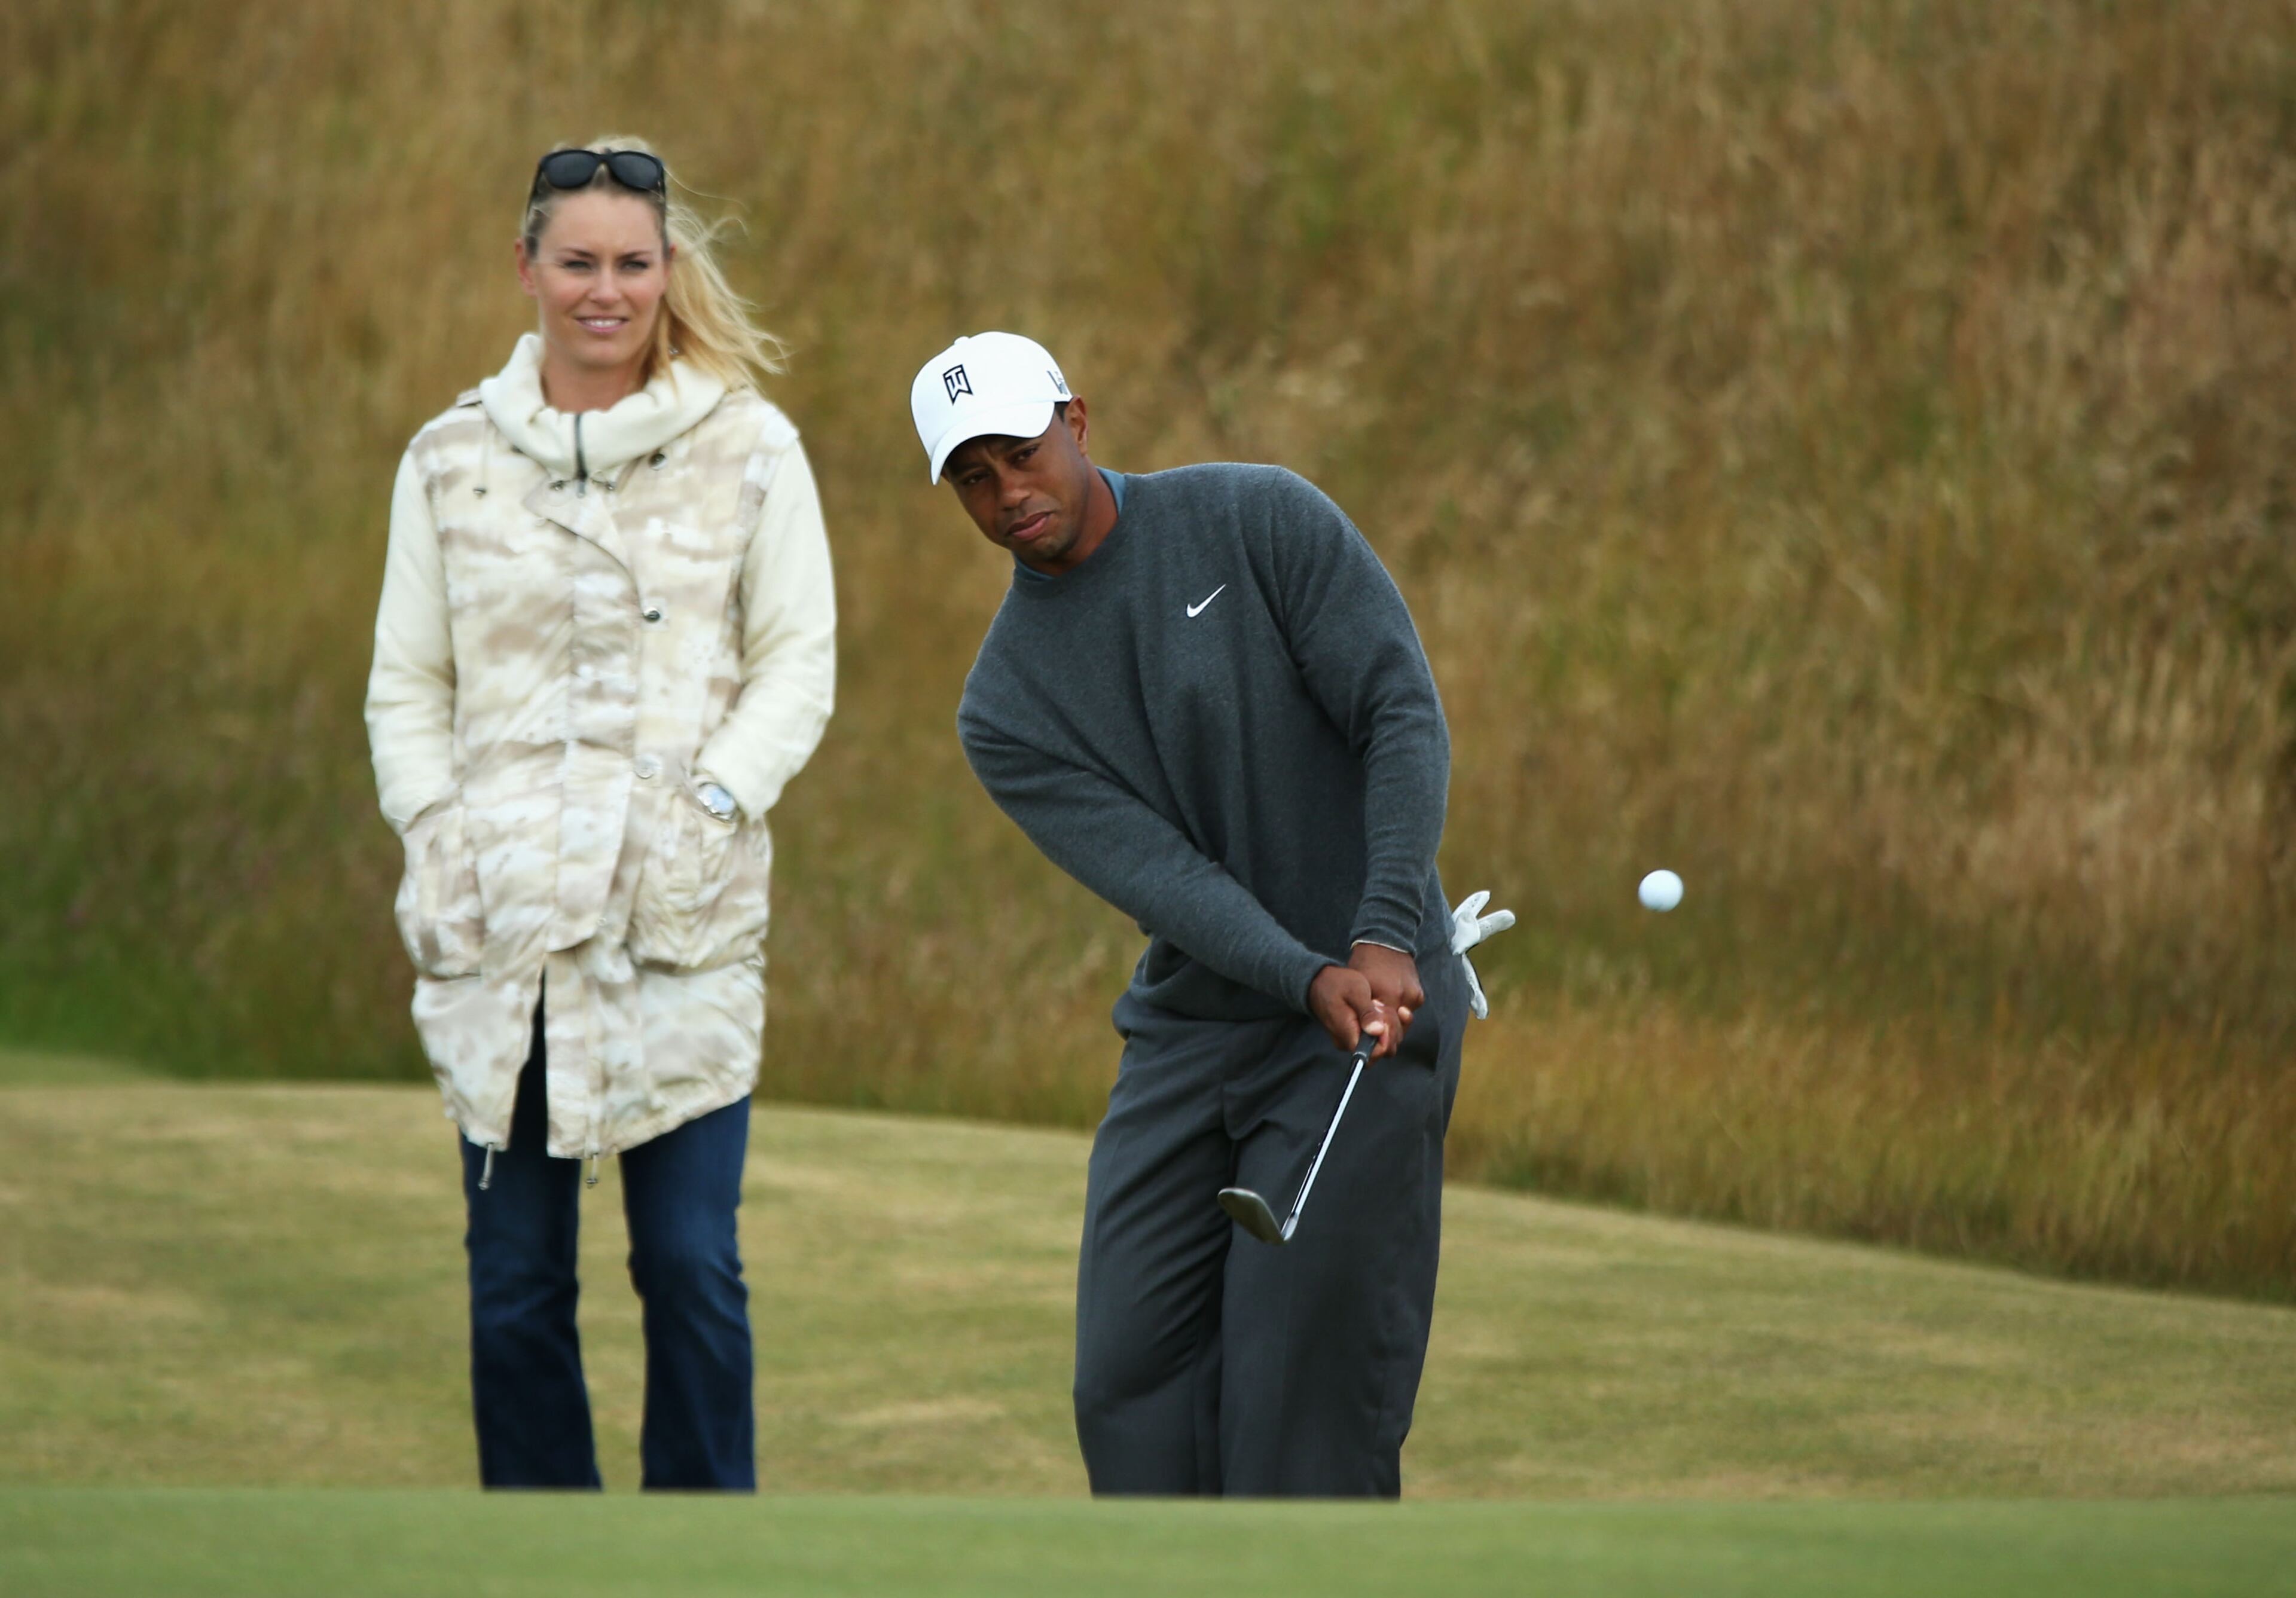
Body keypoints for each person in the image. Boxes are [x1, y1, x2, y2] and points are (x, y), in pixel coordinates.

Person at [908, 331, 1511, 1497]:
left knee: (1301, 1408)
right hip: (1202, 1026)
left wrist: (1384, 927)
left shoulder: (1258, 520)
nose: (1006, 494)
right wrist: (1300, 972)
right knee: (1123, 1383)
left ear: (1076, 423)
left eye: (1020, 454)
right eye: (971, 477)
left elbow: (1398, 709)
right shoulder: (1005, 705)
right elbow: (1165, 877)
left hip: (1367, 1012)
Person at [365, 138, 835, 1490]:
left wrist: (710, 800)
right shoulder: (451, 459)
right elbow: (408, 679)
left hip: (679, 924)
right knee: (513, 1283)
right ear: (526, 268)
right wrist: (438, 831)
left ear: (667, 270)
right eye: (577, 261)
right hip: (497, 926)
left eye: (633, 262)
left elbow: (799, 659)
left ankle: (700, 1557)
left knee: (689, 1263)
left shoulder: (749, 449)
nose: (605, 290)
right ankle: (544, 1557)